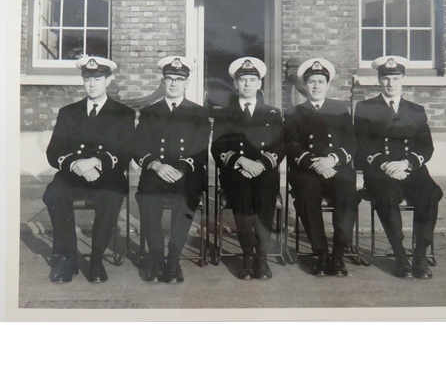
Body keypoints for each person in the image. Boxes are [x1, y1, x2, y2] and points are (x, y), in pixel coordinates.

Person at [43, 56, 136, 283]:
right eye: (87, 79)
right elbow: (53, 152)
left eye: (98, 79)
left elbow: (125, 152)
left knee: (112, 194)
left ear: (109, 80)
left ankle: (96, 258)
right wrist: (77, 165)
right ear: (83, 81)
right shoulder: (69, 112)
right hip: (74, 175)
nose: (92, 84)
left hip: (107, 176)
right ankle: (66, 259)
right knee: (54, 193)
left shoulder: (123, 113)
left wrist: (96, 162)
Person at [354, 56, 443, 278]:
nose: (390, 83)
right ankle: (400, 253)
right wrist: (385, 164)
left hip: (410, 168)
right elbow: (361, 146)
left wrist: (406, 163)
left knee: (430, 192)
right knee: (386, 193)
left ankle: (420, 254)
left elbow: (426, 146)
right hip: (380, 170)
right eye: (386, 78)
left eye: (395, 78)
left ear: (403, 79)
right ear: (378, 80)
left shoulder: (415, 110)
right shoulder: (365, 108)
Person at [134, 56, 210, 283]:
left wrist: (180, 168)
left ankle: (174, 258)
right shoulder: (150, 112)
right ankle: (157, 259)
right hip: (157, 169)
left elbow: (200, 148)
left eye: (179, 79)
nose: (174, 83)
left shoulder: (199, 113)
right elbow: (138, 147)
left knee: (186, 197)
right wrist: (156, 165)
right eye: (170, 79)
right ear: (163, 81)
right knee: (147, 197)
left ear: (187, 83)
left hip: (187, 172)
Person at [284, 58, 360, 276]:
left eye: (320, 81)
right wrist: (314, 164)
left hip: (335, 166)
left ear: (328, 85)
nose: (316, 86)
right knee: (306, 193)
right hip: (307, 170)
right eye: (311, 82)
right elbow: (292, 144)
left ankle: (338, 253)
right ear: (304, 86)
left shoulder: (340, 110)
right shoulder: (294, 113)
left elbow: (351, 143)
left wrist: (333, 160)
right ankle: (321, 253)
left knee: (348, 192)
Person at [211, 57, 285, 280]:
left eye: (252, 80)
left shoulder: (272, 114)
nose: (247, 84)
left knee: (264, 194)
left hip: (264, 170)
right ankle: (247, 255)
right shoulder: (224, 113)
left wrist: (261, 164)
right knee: (242, 194)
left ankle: (261, 255)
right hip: (236, 171)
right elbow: (218, 146)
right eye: (242, 80)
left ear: (259, 84)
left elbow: (280, 146)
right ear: (235, 84)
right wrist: (241, 162)